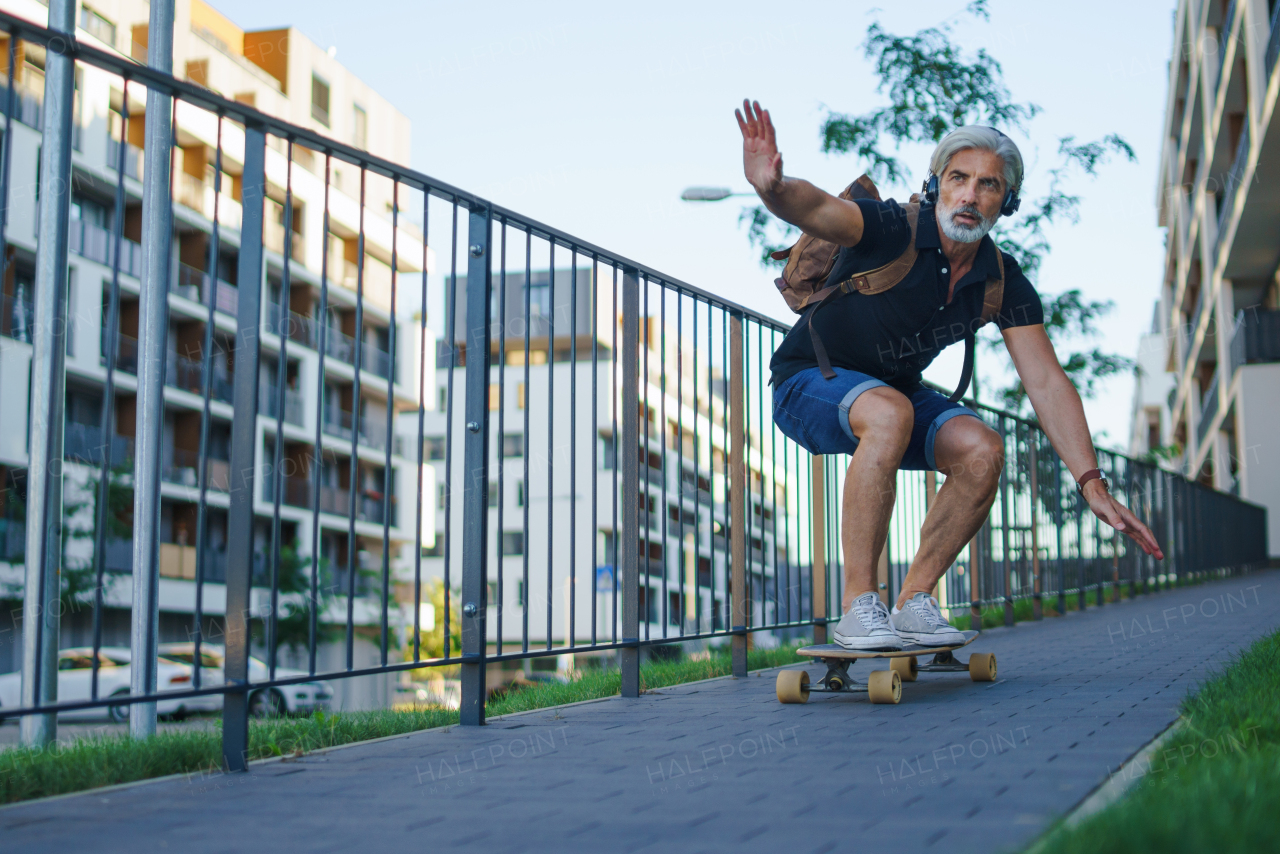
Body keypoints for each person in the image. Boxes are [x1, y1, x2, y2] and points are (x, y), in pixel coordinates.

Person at [736, 100, 1164, 651]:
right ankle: (859, 607)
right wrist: (773, 187)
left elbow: (1048, 382)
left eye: (987, 185)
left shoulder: (1002, 281)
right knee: (889, 411)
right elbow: (818, 209)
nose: (969, 195)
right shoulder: (893, 227)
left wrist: (1091, 481)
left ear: (1006, 202)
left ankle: (915, 600)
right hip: (806, 385)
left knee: (981, 448)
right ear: (936, 184)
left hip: (894, 400)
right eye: (958, 178)